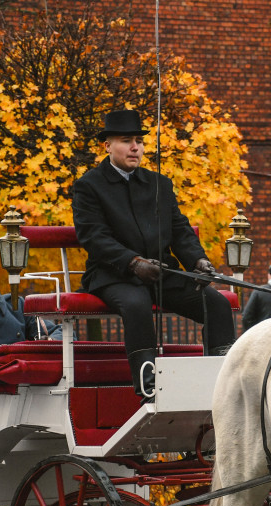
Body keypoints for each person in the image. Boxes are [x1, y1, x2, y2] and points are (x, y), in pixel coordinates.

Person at [72, 109, 236, 400]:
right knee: (137, 305)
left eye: (139, 140)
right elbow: (94, 237)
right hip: (114, 274)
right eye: (126, 140)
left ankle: (221, 384)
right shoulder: (89, 186)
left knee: (217, 305)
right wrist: (134, 263)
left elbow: (180, 230)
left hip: (161, 273)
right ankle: (148, 386)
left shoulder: (159, 183)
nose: (135, 147)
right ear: (107, 145)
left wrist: (198, 261)